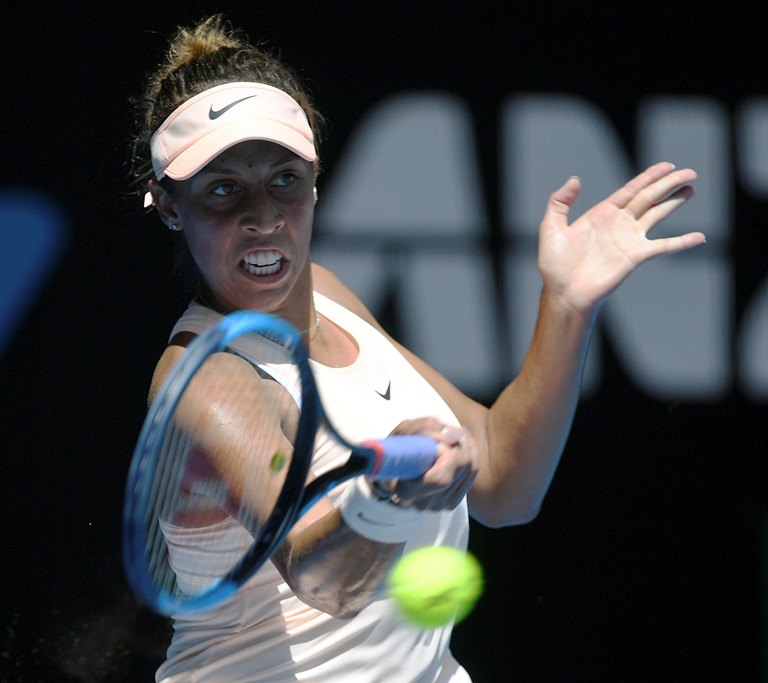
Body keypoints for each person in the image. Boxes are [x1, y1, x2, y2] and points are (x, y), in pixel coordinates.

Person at [127, 15, 705, 683]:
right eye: (222, 189)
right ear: (170, 206)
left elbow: (504, 482)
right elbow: (325, 582)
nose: (262, 215)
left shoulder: (333, 298)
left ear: (315, 179)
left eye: (284, 178)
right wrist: (385, 498)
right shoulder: (204, 379)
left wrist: (568, 306)